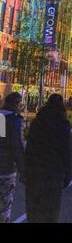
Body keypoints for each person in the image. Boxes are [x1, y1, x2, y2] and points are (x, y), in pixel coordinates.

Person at [25, 94, 72, 223]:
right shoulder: (63, 123)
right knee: (51, 210)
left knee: (34, 209)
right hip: (53, 173)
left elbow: (29, 147)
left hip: (35, 172)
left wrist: (25, 171)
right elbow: (66, 151)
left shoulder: (37, 122)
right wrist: (68, 174)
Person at [0, 92, 25, 223]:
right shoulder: (15, 120)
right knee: (4, 205)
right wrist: (24, 170)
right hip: (6, 169)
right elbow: (17, 147)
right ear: (17, 104)